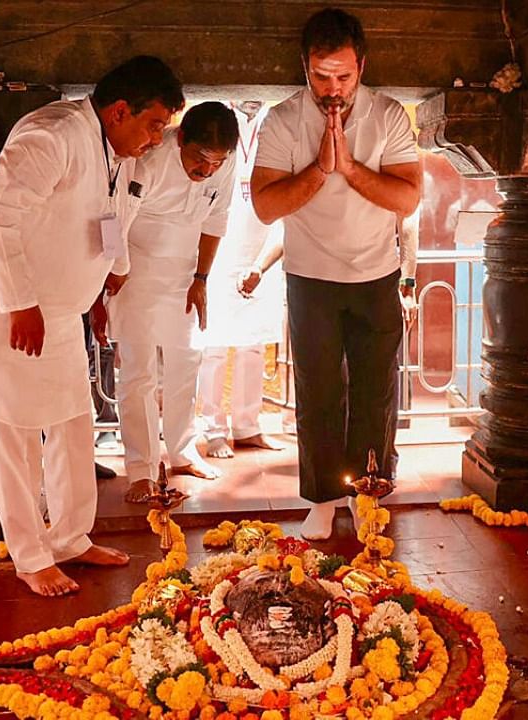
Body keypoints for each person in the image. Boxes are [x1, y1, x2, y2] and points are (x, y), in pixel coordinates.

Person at [0, 56, 184, 597]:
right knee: (16, 434)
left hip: (61, 309)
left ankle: (70, 537)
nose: (157, 138)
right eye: (154, 124)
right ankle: (30, 555)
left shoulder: (117, 150)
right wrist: (20, 303)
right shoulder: (53, 135)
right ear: (120, 111)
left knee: (72, 420)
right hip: (3, 308)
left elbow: (111, 216)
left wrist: (105, 283)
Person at [251, 7, 421, 540]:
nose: (334, 89)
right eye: (322, 76)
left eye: (344, 76)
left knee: (375, 391)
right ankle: (323, 500)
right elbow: (265, 205)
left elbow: (408, 197)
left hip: (376, 274)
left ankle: (367, 493)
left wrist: (349, 168)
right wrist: (320, 170)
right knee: (320, 391)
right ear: (305, 68)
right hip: (310, 276)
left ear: (361, 66)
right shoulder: (283, 121)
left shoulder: (388, 115)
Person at [112, 102, 238, 503]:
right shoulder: (146, 158)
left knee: (187, 359)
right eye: (200, 160)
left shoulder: (224, 164)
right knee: (139, 372)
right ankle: (141, 469)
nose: (207, 171)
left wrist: (201, 278)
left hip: (185, 273)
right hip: (132, 271)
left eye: (216, 163)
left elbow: (216, 221)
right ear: (181, 137)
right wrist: (109, 278)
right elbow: (112, 220)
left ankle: (182, 449)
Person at [197, 100, 287, 460]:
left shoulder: (276, 118)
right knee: (213, 347)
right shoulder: (219, 116)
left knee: (254, 345)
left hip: (262, 243)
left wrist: (262, 262)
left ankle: (248, 425)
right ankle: (213, 429)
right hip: (220, 246)